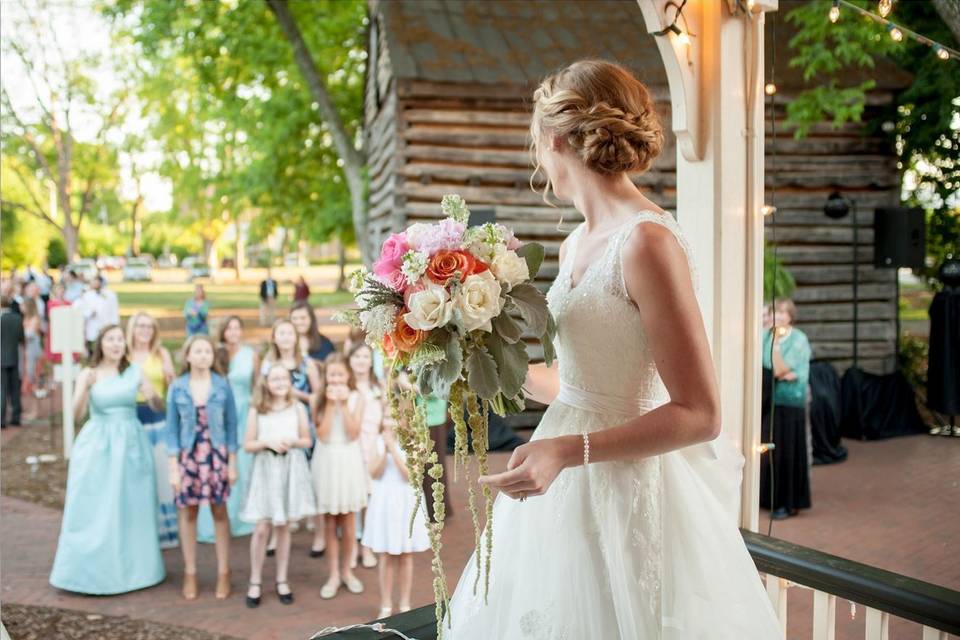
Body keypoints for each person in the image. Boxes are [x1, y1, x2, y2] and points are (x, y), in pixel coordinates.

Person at [445, 60, 781, 638]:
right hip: (565, 484)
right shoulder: (577, 240)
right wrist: (486, 357)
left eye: (537, 143)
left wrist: (565, 452)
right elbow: (583, 382)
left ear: (554, 138)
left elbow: (700, 414)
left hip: (629, 490)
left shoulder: (647, 242)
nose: (539, 159)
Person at [49, 325, 166, 594]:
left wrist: (153, 395)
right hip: (98, 445)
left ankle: (136, 571)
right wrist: (83, 390)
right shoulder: (89, 374)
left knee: (131, 505)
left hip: (131, 443)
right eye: (110, 339)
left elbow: (158, 406)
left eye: (119, 340)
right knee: (95, 506)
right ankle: (88, 572)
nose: (116, 345)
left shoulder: (134, 371)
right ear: (100, 344)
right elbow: (76, 416)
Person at [165, 335, 238, 600]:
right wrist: (173, 467)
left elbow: (232, 426)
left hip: (216, 455)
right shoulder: (177, 387)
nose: (203, 355)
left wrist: (232, 462)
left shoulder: (222, 385)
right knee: (189, 512)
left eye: (207, 351)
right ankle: (191, 572)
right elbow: (171, 430)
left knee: (220, 511)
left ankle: (223, 572)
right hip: (189, 456)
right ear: (187, 356)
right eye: (198, 351)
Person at [240, 364, 317, 608]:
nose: (280, 383)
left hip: (290, 469)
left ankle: (282, 579)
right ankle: (255, 580)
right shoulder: (257, 409)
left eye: (284, 378)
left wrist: (291, 441)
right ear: (266, 382)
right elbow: (248, 444)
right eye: (275, 379)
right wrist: (267, 441)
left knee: (283, 527)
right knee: (262, 528)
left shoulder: (297, 407)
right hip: (266, 470)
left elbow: (307, 440)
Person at [260, 318, 321, 555]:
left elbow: (317, 397)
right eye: (280, 333)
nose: (285, 337)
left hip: (302, 426)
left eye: (289, 333)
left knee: (309, 478)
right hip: (277, 428)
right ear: (274, 337)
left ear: (296, 337)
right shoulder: (268, 364)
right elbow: (261, 395)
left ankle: (318, 534)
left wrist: (297, 394)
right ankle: (277, 534)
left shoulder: (306, 364)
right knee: (278, 479)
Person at [197, 316, 259, 541]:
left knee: (242, 463)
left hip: (243, 411)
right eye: (229, 328)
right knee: (218, 462)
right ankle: (214, 523)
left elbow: (256, 385)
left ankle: (242, 519)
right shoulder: (216, 354)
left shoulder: (250, 355)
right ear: (223, 332)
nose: (233, 332)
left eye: (237, 328)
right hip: (219, 413)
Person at [312, 353, 368, 599]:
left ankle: (347, 571)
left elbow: (354, 432)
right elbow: (322, 434)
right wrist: (330, 404)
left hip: (349, 460)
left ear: (348, 376)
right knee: (329, 521)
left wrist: (342, 405)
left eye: (339, 375)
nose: (335, 380)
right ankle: (333, 574)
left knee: (347, 520)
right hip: (326, 460)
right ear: (326, 377)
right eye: (331, 375)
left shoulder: (358, 398)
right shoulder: (318, 399)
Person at [361, 417, 429, 619]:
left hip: (406, 499)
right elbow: (373, 473)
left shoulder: (416, 440)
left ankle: (405, 602)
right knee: (385, 555)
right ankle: (386, 603)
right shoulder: (378, 441)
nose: (390, 423)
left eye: (394, 418)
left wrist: (393, 447)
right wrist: (385, 451)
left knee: (406, 554)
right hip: (384, 500)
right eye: (387, 417)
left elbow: (411, 475)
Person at [127, 312, 179, 548]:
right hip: (131, 418)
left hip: (157, 417)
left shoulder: (161, 353)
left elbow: (173, 386)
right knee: (135, 475)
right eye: (141, 326)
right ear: (133, 329)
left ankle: (164, 532)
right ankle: (137, 529)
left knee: (160, 475)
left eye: (149, 326)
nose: (145, 330)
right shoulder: (126, 355)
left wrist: (171, 377)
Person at [760, 298, 812, 520]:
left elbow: (780, 369)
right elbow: (767, 365)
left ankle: (788, 502)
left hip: (790, 401)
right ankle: (769, 498)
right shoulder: (764, 336)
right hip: (769, 400)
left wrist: (778, 356)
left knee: (788, 452)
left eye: (782, 312)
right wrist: (780, 371)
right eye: (774, 312)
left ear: (790, 316)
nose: (778, 316)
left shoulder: (799, 339)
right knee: (771, 450)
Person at [348, 341, 384, 569]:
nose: (361, 361)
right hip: (351, 447)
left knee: (370, 497)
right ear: (349, 360)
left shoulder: (378, 387)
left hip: (372, 447)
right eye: (357, 357)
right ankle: (352, 545)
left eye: (365, 357)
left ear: (371, 361)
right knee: (354, 498)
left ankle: (367, 545)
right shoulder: (347, 387)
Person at [1, 296, 24, 428]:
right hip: (14, 357)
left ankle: (1, 419)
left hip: (1, 359)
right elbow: (21, 339)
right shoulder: (17, 318)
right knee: (15, 389)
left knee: (2, 389)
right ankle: (16, 417)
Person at [20, 298, 43, 420]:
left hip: (33, 354)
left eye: (23, 305)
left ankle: (35, 411)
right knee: (28, 382)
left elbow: (29, 334)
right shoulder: (26, 318)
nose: (20, 308)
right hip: (27, 353)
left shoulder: (35, 319)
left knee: (33, 380)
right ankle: (30, 410)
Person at [77, 276, 110, 355]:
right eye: (94, 282)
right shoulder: (87, 295)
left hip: (103, 321)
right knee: (91, 340)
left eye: (97, 282)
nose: (95, 284)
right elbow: (83, 309)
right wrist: (90, 313)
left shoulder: (107, 294)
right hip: (91, 322)